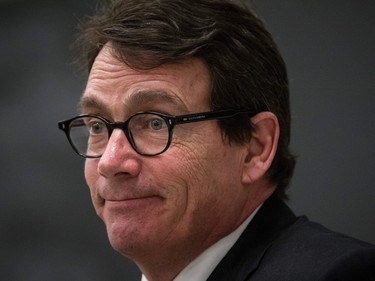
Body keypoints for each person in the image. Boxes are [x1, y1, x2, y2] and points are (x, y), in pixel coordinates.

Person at [58, 0, 375, 280]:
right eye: (98, 127)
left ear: (255, 148)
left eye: (156, 123)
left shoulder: (338, 273)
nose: (111, 162)